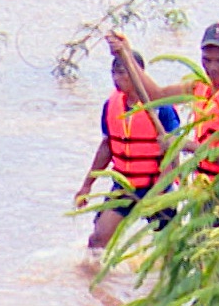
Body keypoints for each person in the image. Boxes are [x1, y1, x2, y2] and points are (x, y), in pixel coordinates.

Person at [109, 22, 219, 209]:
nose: (212, 68)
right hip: (207, 190)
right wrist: (127, 56)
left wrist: (183, 145)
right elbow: (157, 95)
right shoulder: (201, 86)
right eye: (207, 60)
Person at [74, 47, 181, 247]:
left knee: (169, 246)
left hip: (156, 185)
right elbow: (106, 147)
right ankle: (94, 268)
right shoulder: (111, 105)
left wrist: (160, 190)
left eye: (122, 72)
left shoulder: (161, 107)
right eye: (113, 72)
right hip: (125, 185)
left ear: (138, 73)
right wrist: (87, 185)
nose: (116, 78)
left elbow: (173, 151)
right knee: (98, 239)